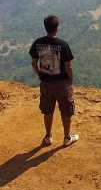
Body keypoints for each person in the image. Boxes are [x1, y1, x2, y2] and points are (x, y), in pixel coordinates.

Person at [29, 15, 79, 147]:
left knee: (47, 110)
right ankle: (67, 137)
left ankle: (48, 136)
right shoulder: (63, 45)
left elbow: (34, 63)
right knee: (66, 111)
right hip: (62, 84)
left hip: (46, 83)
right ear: (57, 28)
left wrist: (40, 74)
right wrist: (70, 81)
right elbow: (68, 66)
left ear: (45, 27)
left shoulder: (38, 43)